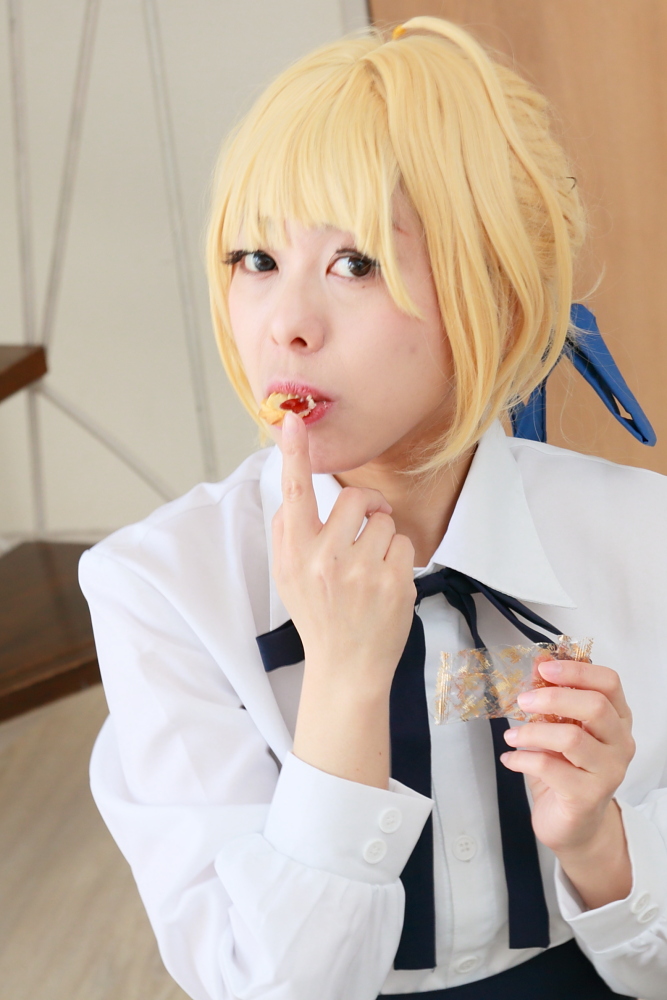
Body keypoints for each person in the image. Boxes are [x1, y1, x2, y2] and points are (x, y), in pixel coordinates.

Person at [79, 16, 667, 1000]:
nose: (285, 325)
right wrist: (346, 685)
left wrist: (599, 844)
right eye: (254, 260)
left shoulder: (642, 538)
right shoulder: (162, 587)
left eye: (354, 264)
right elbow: (263, 987)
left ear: (496, 289)